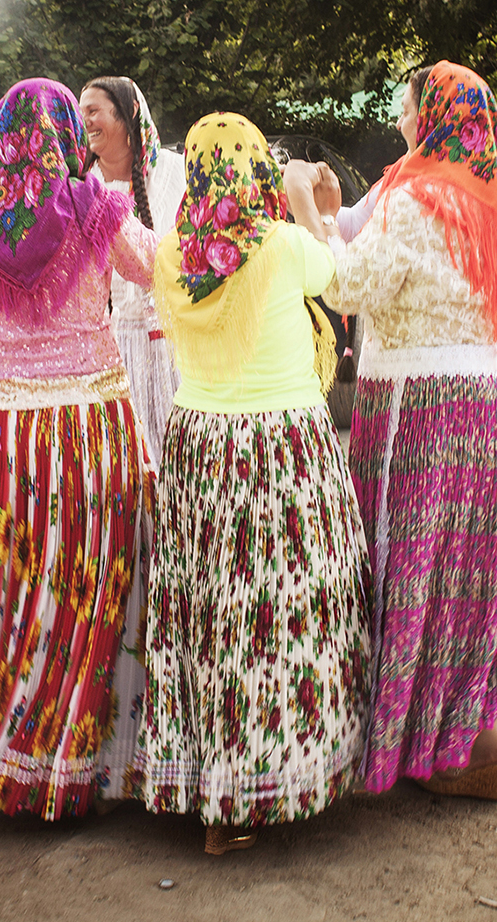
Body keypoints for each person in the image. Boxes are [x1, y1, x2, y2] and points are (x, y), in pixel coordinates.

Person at [293, 60, 497, 802]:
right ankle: (477, 736)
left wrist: (302, 212)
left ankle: (447, 743)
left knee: (411, 567)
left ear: (436, 115)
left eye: (408, 105)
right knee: (471, 577)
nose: (398, 118)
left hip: (427, 411)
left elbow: (345, 283)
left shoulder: (420, 196)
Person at [0, 78, 157, 819]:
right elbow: (158, 268)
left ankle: (6, 754)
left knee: (7, 585)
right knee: (84, 588)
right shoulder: (93, 206)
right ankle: (80, 762)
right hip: (84, 428)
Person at [133, 112, 372, 856]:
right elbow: (344, 284)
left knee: (210, 613)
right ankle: (281, 775)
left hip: (199, 445)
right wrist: (305, 202)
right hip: (281, 445)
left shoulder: (173, 251)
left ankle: (215, 795)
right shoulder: (280, 243)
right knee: (283, 605)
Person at [80, 77, 185, 460]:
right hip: (114, 349)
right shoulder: (82, 188)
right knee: (127, 458)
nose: (85, 120)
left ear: (127, 118)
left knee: (178, 452)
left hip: (177, 344)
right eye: (81, 112)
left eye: (94, 111)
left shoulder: (175, 173)